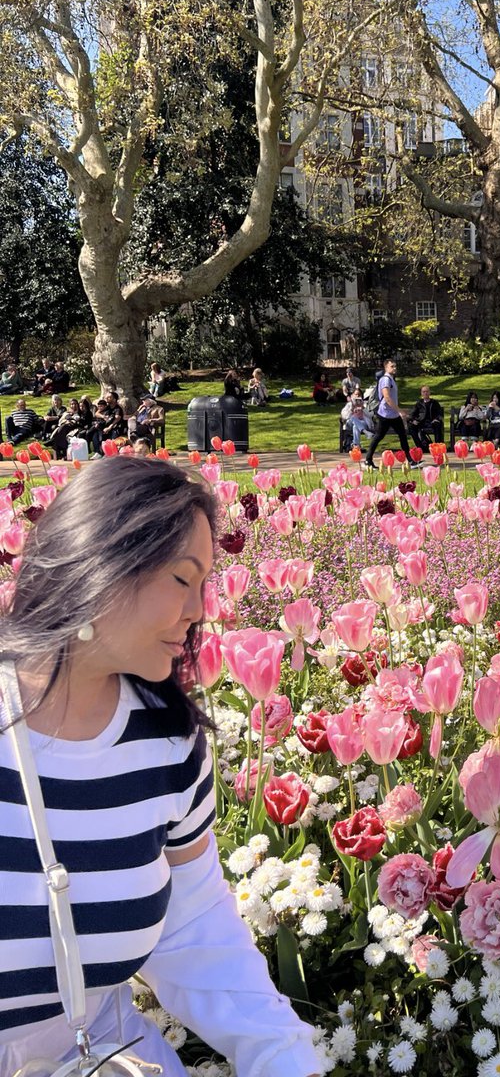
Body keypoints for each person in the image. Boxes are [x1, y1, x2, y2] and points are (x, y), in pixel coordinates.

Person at [0, 457, 320, 1076]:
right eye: (182, 579)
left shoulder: (167, 744)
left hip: (101, 1058)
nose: (201, 609)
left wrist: (286, 1059)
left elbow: (196, 931)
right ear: (102, 560)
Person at [365, 357, 411, 469]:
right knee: (378, 436)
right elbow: (387, 397)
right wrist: (399, 411)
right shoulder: (386, 379)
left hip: (393, 414)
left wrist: (398, 410)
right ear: (386, 367)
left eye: (395, 366)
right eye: (392, 366)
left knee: (402, 435)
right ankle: (368, 460)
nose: (394, 368)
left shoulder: (390, 379)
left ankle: (410, 460)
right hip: (385, 415)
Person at [408, 385, 444, 452]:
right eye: (423, 392)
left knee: (438, 425)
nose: (425, 393)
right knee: (411, 427)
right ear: (421, 393)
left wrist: (436, 419)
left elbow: (439, 413)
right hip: (421, 422)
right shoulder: (419, 403)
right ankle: (420, 447)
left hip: (432, 422)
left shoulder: (434, 403)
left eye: (427, 391)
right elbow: (412, 414)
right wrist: (413, 420)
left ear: (429, 392)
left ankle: (437, 447)